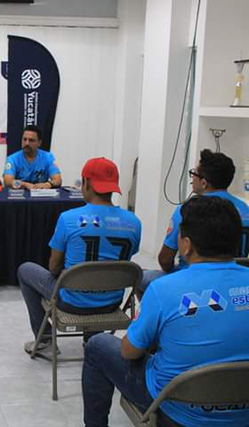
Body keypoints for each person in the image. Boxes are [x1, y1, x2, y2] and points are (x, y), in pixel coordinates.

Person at [82, 196, 249, 427]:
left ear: (187, 244)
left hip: (177, 411)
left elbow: (129, 352)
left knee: (98, 345)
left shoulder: (163, 289)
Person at [18, 158, 141, 355]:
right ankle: (93, 340)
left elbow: (54, 268)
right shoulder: (134, 222)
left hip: (72, 303)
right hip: (111, 303)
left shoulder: (69, 219)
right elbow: (125, 259)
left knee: (25, 270)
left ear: (87, 183)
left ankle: (46, 341)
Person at [140, 149, 249, 294]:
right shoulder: (244, 209)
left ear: (204, 183)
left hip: (192, 281)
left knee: (141, 278)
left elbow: (165, 260)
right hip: (234, 279)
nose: (192, 179)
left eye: (194, 174)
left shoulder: (188, 210)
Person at [3, 125, 62, 190]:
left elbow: (58, 180)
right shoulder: (12, 159)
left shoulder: (48, 157)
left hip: (41, 197)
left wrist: (48, 184)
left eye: (31, 140)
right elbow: (7, 181)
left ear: (39, 143)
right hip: (19, 197)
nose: (27, 143)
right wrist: (24, 184)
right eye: (24, 139)